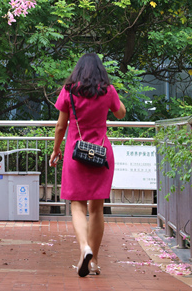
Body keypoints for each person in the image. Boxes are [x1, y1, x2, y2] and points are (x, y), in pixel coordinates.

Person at [49, 53, 128, 277]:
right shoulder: (107, 90)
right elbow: (121, 113)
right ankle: (94, 261)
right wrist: (112, 92)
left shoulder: (70, 90)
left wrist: (56, 150)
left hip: (76, 154)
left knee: (77, 204)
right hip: (101, 156)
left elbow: (60, 127)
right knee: (97, 208)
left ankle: (84, 247)